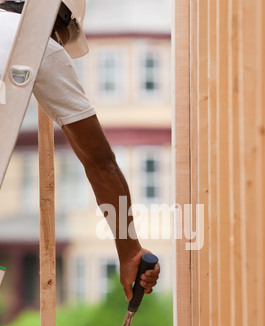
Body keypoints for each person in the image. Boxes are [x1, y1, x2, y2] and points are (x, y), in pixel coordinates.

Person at [0, 0, 160, 300]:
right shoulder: (36, 45)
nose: (59, 42)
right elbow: (101, 163)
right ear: (58, 17)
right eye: (63, 33)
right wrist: (130, 251)